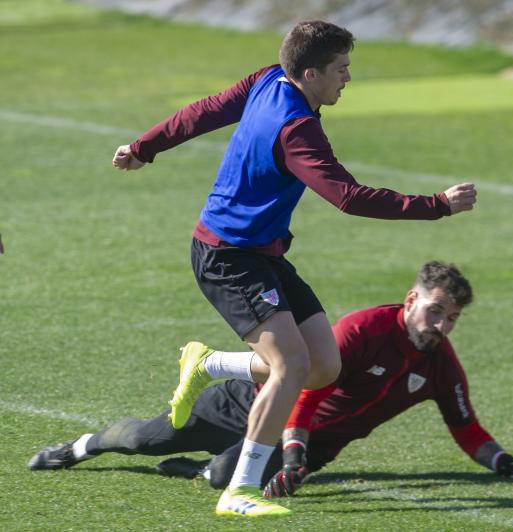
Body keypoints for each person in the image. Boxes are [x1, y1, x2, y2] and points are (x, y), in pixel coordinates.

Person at [110, 21, 477, 517]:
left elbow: (203, 112)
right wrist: (437, 205)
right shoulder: (297, 130)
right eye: (341, 69)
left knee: (324, 366)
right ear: (309, 72)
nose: (347, 78)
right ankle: (239, 491)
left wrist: (142, 147)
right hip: (227, 257)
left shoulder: (269, 78)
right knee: (290, 366)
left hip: (262, 254)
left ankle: (209, 365)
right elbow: (347, 196)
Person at [29, 262, 513, 498]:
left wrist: (504, 462)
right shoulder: (362, 331)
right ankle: (80, 447)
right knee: (144, 439)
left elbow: (466, 427)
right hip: (258, 403)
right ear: (410, 302)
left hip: (315, 444)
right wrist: (291, 453)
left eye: (451, 318)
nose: (442, 325)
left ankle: (208, 468)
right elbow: (306, 385)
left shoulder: (441, 364)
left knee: (220, 479)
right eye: (435, 311)